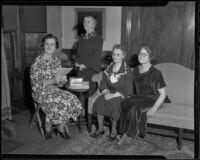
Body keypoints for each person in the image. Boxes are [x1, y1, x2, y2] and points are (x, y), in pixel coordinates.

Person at [30, 34, 83, 140]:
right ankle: (48, 125)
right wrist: (53, 81)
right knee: (58, 100)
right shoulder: (37, 62)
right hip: (40, 92)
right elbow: (36, 85)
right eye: (47, 44)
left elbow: (58, 83)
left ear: (55, 46)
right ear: (43, 45)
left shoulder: (56, 61)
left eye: (52, 44)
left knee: (72, 98)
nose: (49, 47)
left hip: (53, 89)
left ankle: (60, 126)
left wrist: (62, 81)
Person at [117, 46, 167, 145]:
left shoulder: (156, 72)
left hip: (154, 98)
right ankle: (122, 130)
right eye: (140, 53)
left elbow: (163, 94)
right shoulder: (136, 70)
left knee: (136, 107)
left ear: (150, 57)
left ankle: (127, 134)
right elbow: (132, 87)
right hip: (140, 97)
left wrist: (154, 108)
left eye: (144, 54)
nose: (141, 56)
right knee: (125, 103)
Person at [91, 44, 133, 141]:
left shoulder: (128, 70)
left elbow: (128, 89)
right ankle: (100, 129)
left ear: (123, 56)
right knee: (99, 101)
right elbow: (103, 83)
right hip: (109, 92)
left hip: (122, 95)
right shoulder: (108, 68)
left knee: (114, 104)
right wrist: (106, 93)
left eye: (118, 54)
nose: (115, 56)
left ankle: (113, 131)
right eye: (113, 54)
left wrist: (113, 96)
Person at [75, 16, 103, 96]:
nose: (85, 23)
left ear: (94, 24)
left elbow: (96, 56)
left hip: (91, 71)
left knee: (90, 95)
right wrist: (76, 62)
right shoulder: (81, 37)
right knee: (80, 94)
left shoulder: (97, 38)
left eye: (88, 21)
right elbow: (77, 53)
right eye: (84, 21)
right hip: (80, 70)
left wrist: (85, 65)